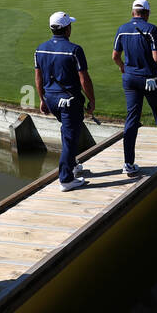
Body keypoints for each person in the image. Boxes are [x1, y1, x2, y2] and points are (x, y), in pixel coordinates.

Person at [113, 0, 157, 177]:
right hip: (149, 79)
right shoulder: (151, 29)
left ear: (133, 12)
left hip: (129, 79)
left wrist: (123, 67)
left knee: (132, 119)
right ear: (147, 13)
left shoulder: (122, 29)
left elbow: (115, 56)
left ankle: (128, 163)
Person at [34, 11, 96, 192]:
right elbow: (84, 79)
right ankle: (66, 179)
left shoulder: (40, 49)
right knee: (70, 138)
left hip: (51, 100)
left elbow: (38, 78)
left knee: (66, 131)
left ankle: (73, 165)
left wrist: (41, 99)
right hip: (69, 101)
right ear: (67, 28)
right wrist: (92, 100)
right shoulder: (75, 50)